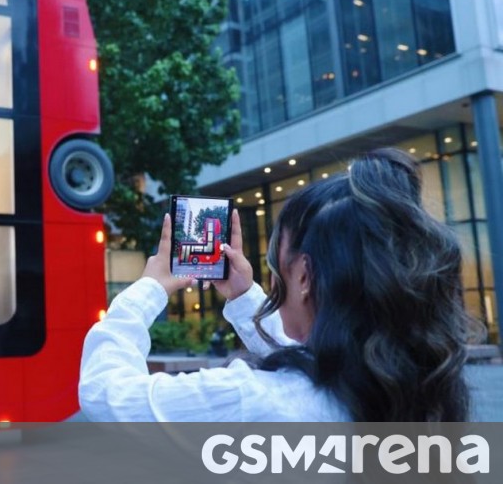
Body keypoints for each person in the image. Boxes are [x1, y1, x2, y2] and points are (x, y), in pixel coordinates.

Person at [79, 148, 480, 422]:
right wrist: (242, 297)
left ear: (303, 276)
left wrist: (149, 288)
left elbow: (105, 396)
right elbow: (310, 361)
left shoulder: (253, 400)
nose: (271, 278)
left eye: (276, 265)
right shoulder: (416, 384)